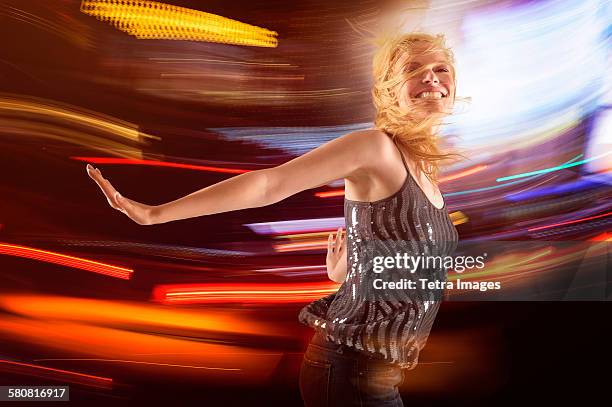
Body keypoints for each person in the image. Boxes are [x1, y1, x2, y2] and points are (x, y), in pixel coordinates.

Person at [86, 31, 461, 407]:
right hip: (352, 370)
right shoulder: (374, 147)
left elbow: (408, 263)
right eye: (413, 68)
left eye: (440, 69)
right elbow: (270, 184)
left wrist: (352, 274)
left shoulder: (426, 168)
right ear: (390, 88)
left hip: (377, 373)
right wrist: (155, 214)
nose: (431, 77)